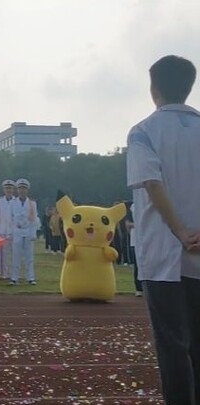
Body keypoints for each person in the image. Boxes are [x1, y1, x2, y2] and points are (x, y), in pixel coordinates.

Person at [126, 55, 200, 404]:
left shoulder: (144, 131)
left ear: (153, 88)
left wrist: (181, 231)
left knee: (172, 346)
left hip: (164, 254)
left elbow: (153, 185)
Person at [9, 178, 37, 285]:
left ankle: (31, 277)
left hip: (28, 230)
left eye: (24, 188)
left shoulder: (32, 203)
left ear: (27, 190)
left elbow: (34, 219)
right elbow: (10, 218)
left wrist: (33, 232)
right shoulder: (13, 203)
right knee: (15, 256)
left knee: (29, 256)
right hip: (17, 231)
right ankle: (14, 278)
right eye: (20, 188)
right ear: (17, 190)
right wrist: (11, 231)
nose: (22, 190)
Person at [0, 180, 16, 279]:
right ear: (3, 189)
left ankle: (14, 273)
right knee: (4, 254)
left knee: (14, 253)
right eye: (6, 188)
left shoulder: (16, 201)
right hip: (3, 231)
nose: (8, 190)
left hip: (14, 231)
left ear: (13, 189)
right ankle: (5, 273)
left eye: (10, 188)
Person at [124, 202, 142, 297]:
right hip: (135, 241)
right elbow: (128, 224)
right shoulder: (132, 207)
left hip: (149, 240)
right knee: (137, 265)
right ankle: (139, 289)